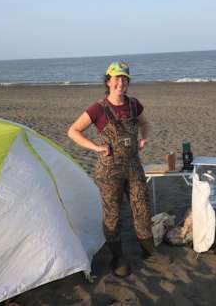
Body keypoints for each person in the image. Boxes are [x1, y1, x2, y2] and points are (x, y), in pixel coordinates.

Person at [68, 61, 171, 278]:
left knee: (142, 209)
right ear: (108, 81)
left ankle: (149, 251)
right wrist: (96, 147)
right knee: (112, 215)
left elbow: (145, 124)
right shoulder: (98, 108)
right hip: (109, 170)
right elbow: (74, 131)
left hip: (134, 166)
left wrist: (145, 138)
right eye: (116, 78)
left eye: (124, 78)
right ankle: (118, 257)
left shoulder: (134, 105)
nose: (121, 82)